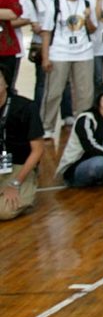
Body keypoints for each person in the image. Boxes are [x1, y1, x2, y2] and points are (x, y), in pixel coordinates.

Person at [42, 0, 97, 136]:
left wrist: (87, 18)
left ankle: (82, 125)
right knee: (54, 91)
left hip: (84, 53)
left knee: (85, 93)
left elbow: (92, 29)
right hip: (60, 52)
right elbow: (46, 32)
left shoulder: (86, 2)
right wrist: (46, 57)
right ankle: (46, 126)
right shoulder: (55, 3)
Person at [0, 69, 45, 221]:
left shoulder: (25, 107)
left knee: (4, 211)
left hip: (20, 166)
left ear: (6, 83)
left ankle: (25, 190)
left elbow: (38, 150)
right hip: (1, 163)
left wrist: (16, 183)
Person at [57, 91, 103, 188]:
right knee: (101, 164)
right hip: (76, 167)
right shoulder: (86, 119)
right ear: (99, 97)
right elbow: (90, 147)